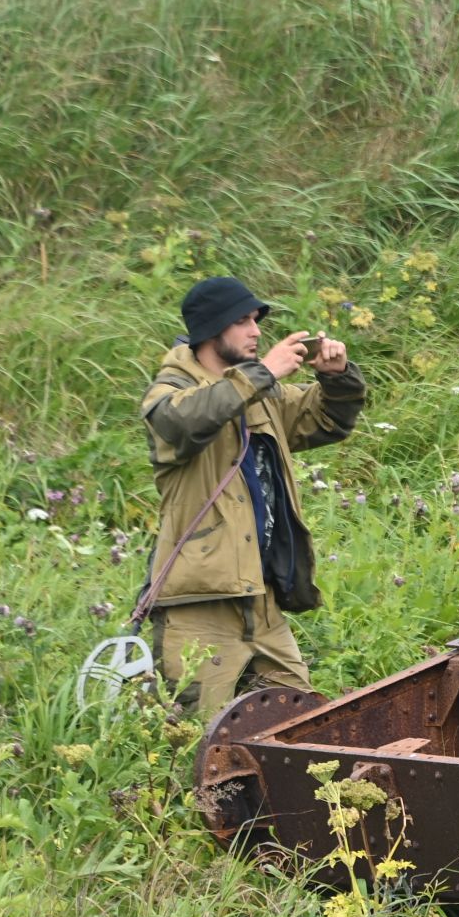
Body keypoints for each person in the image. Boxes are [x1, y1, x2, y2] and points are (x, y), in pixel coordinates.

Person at [138, 275, 367, 716]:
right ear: (212, 329)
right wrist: (262, 373)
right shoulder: (167, 394)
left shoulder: (262, 394)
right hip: (198, 606)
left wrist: (337, 379)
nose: (256, 331)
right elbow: (184, 422)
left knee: (298, 725)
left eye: (256, 320)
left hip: (261, 600)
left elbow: (325, 421)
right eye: (242, 321)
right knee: (197, 746)